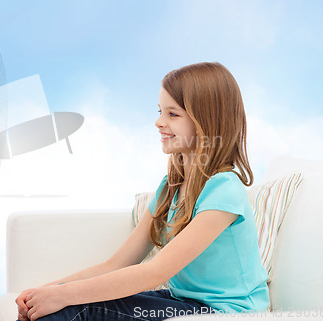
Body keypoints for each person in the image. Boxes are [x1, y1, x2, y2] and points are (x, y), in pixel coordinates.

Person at [15, 62, 270, 321]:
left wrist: (63, 296)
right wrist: (47, 291)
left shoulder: (224, 189)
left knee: (75, 308)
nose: (159, 122)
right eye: (161, 112)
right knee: (58, 308)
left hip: (223, 312)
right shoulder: (171, 187)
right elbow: (115, 264)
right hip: (181, 301)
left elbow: (156, 272)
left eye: (173, 114)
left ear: (207, 120)